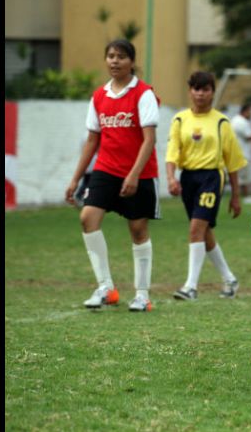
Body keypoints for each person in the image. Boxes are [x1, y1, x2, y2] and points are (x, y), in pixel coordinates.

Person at [64, 39, 160, 312]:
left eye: (120, 56)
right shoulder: (99, 96)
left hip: (139, 172)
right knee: (87, 218)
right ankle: (106, 287)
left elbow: (149, 140)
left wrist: (133, 175)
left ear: (132, 61)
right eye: (110, 56)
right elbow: (92, 142)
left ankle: (142, 294)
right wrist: (74, 179)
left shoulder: (143, 94)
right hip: (106, 169)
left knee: (138, 229)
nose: (114, 61)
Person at [168, 71, 246, 300]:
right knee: (204, 231)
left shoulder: (221, 122)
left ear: (212, 92)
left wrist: (235, 196)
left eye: (205, 89)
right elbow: (172, 152)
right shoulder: (180, 120)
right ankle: (230, 280)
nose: (200, 94)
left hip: (212, 178)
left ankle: (190, 287)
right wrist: (171, 178)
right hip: (188, 178)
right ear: (190, 91)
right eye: (196, 89)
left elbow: (232, 161)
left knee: (195, 228)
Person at [231, 103, 251, 204]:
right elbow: (249, 136)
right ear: (245, 111)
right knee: (244, 177)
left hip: (236, 153)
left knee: (239, 177)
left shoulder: (235, 120)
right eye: (250, 112)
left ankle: (240, 196)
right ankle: (246, 197)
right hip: (242, 154)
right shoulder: (242, 122)